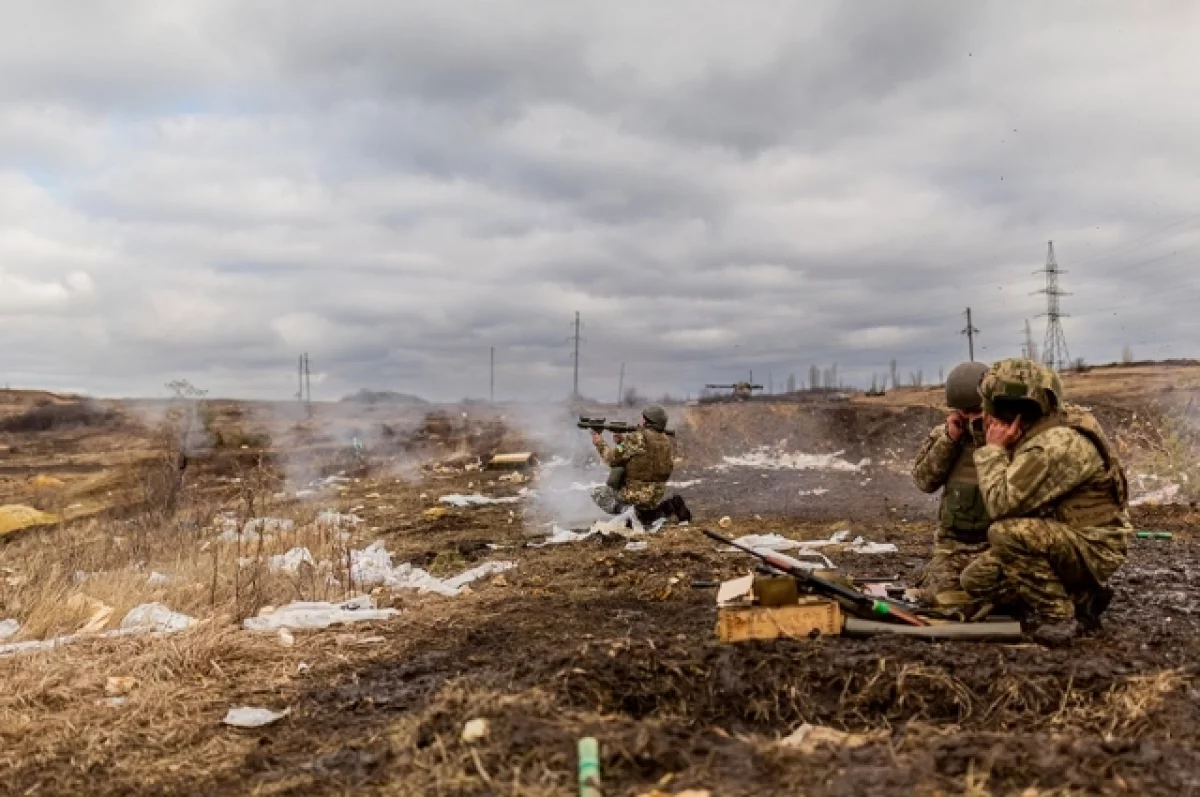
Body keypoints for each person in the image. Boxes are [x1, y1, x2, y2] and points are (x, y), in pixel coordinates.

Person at [960, 358, 1132, 645]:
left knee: (1006, 534)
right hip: (1071, 536)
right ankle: (1082, 598)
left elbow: (1000, 505)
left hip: (1094, 545)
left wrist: (993, 450)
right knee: (976, 581)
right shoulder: (1046, 428)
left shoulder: (1052, 445)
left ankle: (1059, 616)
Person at [911, 361, 991, 609]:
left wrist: (988, 438)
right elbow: (924, 481)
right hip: (954, 545)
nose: (970, 419)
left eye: (976, 411)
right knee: (945, 598)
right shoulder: (945, 435)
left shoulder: (1010, 436)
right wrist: (949, 440)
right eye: (963, 412)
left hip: (996, 544)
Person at [590, 405, 692, 524]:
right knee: (647, 512)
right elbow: (643, 458)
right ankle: (667, 507)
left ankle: (628, 513)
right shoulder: (665, 440)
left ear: (647, 421)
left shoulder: (637, 437)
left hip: (636, 494)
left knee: (598, 494)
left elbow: (611, 459)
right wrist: (621, 443)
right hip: (656, 494)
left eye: (643, 418)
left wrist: (599, 442)